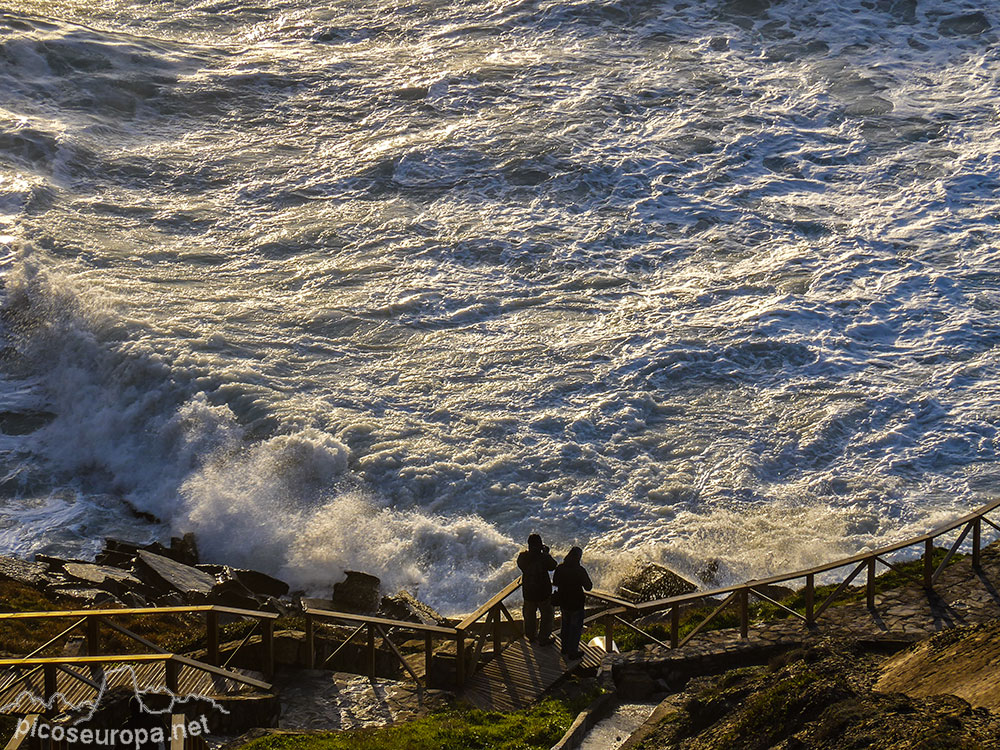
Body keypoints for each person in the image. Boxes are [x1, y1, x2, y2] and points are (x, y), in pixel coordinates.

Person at [552, 546, 592, 660]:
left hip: (564, 602)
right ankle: (573, 652)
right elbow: (588, 587)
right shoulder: (579, 570)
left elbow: (555, 582)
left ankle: (564, 648)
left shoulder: (560, 568)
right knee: (575, 629)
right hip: (576, 603)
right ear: (578, 557)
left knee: (565, 626)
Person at [517, 533, 557, 645]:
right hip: (543, 592)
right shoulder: (543, 558)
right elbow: (553, 565)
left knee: (529, 616)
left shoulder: (523, 557)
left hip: (528, 592)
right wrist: (546, 554)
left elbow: (521, 565)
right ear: (540, 544)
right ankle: (543, 637)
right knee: (547, 615)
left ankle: (531, 636)